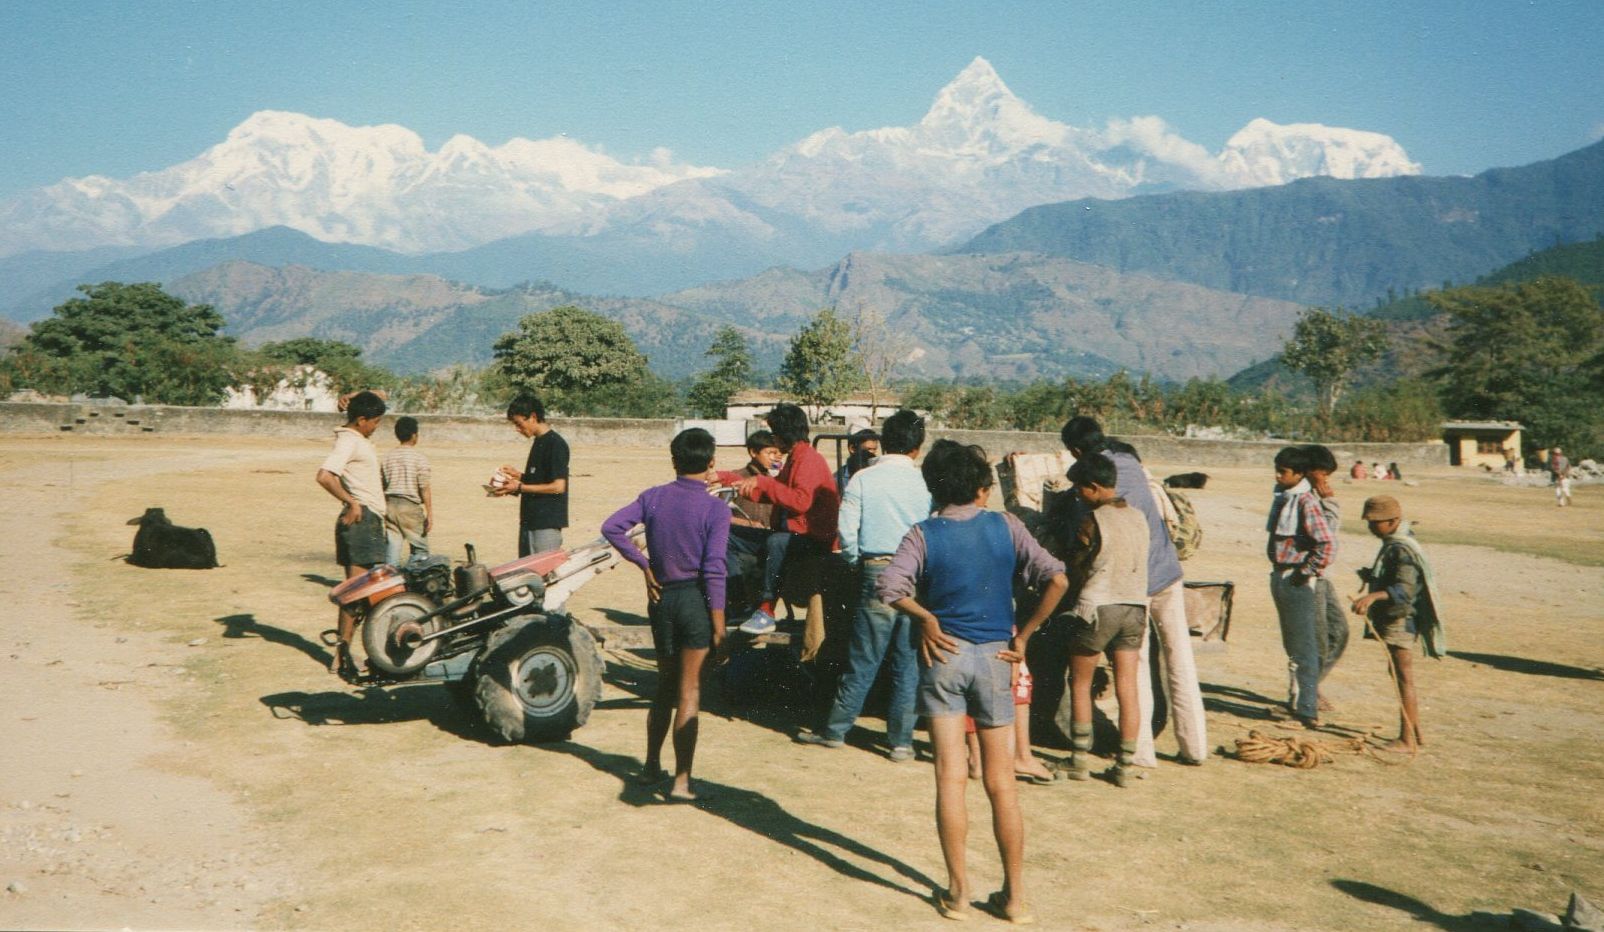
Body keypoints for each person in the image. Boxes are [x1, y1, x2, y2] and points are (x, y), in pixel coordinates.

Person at [878, 440, 1067, 924]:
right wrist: (1023, 635)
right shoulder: (1007, 525)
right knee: (1003, 784)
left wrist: (926, 619)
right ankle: (1016, 898)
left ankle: (959, 893)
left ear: (933, 487)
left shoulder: (923, 533)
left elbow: (890, 587)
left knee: (950, 778)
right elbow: (1058, 579)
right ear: (983, 490)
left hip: (944, 658)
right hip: (997, 658)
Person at [1060, 417, 1208, 767]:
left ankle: (1140, 753)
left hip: (1134, 584)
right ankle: (1195, 748)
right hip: (1168, 573)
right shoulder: (1130, 461)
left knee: (1135, 669)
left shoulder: (1091, 486)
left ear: (1078, 452)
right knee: (1180, 662)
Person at [601, 428, 730, 801]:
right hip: (694, 602)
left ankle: (650, 766)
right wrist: (719, 626)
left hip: (661, 601)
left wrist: (644, 565)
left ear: (674, 461)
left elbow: (612, 528)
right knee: (689, 690)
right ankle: (682, 781)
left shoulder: (653, 497)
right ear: (711, 464)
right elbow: (715, 569)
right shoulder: (716, 509)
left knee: (664, 686)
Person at [796, 410, 929, 761]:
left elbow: (847, 532)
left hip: (877, 571)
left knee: (864, 656)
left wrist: (856, 561)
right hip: (915, 574)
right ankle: (901, 742)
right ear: (918, 447)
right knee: (907, 660)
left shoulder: (862, 480)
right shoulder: (925, 483)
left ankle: (836, 730)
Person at [1041, 453, 1149, 786]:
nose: (1077, 495)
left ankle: (1079, 760)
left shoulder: (1093, 520)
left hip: (1098, 608)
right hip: (1134, 609)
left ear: (1093, 487)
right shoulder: (1139, 517)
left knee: (1081, 683)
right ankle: (1126, 766)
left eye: (1079, 489)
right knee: (1127, 687)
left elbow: (1077, 567)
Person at [723, 403, 839, 636]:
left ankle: (766, 610)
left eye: (775, 435)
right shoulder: (795, 459)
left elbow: (800, 501)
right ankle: (740, 603)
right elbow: (775, 493)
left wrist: (764, 483)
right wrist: (728, 480)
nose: (774, 441)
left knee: (777, 541)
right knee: (725, 537)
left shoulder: (809, 461)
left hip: (812, 539)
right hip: (792, 534)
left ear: (784, 435)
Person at [1350, 495, 1445, 751]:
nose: (1371, 527)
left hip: (1401, 619)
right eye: (1369, 522)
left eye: (1376, 523)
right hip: (1397, 617)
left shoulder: (1402, 548)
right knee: (1399, 673)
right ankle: (1415, 731)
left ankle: (1407, 738)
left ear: (1393, 521)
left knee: (1403, 676)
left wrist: (1372, 596)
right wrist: (1372, 577)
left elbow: (1404, 589)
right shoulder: (1394, 543)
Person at [314, 390, 388, 677]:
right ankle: (342, 655)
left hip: (368, 520)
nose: (376, 427)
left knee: (364, 592)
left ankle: (345, 654)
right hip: (362, 521)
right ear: (361, 420)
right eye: (375, 422)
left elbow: (378, 392)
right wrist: (351, 501)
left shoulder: (355, 438)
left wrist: (352, 393)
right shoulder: (349, 441)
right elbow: (324, 475)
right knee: (356, 593)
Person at [1266, 446, 1337, 727]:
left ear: (1298, 474)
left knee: (1303, 646)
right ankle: (1298, 701)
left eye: (1283, 471)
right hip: (1282, 575)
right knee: (1293, 644)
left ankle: (1307, 709)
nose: (1277, 475)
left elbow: (1326, 543)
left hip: (1295, 577)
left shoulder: (1305, 501)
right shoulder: (1285, 497)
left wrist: (1305, 571)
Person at [1301, 444, 1348, 711]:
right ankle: (1306, 693)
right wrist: (1331, 504)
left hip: (1323, 577)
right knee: (1316, 639)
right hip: (1314, 577)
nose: (1326, 481)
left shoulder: (1315, 498)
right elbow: (1326, 537)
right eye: (1323, 474)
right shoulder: (1307, 500)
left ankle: (1312, 685)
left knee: (1338, 632)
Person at [722, 430, 791, 610]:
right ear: (753, 453)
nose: (775, 458)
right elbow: (720, 516)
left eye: (778, 454)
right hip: (745, 541)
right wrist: (747, 524)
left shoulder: (778, 482)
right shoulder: (736, 477)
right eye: (770, 453)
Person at [495, 393, 570, 556]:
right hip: (530, 521)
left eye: (519, 424)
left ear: (533, 417)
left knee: (541, 576)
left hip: (545, 525)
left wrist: (520, 487)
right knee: (526, 574)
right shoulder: (539, 441)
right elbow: (540, 480)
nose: (518, 429)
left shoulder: (555, 444)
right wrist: (518, 477)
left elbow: (558, 486)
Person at [381, 416, 433, 565]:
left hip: (390, 505)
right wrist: (429, 513)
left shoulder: (387, 457)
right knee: (419, 549)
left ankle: (391, 580)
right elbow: (424, 487)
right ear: (414, 435)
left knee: (393, 546)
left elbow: (382, 484)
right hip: (410, 506)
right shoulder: (419, 458)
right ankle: (416, 581)